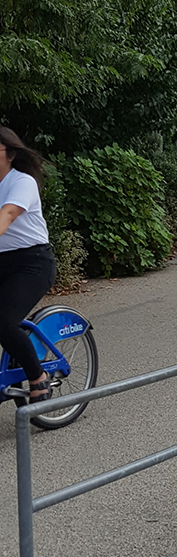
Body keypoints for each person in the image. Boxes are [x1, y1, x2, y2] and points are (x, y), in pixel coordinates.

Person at [0, 128, 57, 401]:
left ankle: (38, 377)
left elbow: (7, 215)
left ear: (10, 155)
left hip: (32, 263)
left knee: (3, 321)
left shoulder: (22, 182)